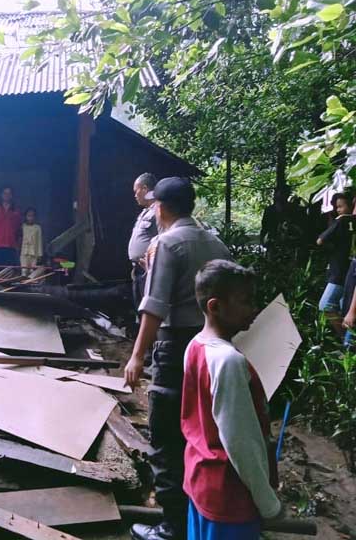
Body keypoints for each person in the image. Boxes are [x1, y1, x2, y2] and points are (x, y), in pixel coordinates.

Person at [124, 177, 232, 540]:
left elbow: (155, 306)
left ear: (162, 207)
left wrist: (137, 356)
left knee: (166, 434)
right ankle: (201, 515)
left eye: (154, 205)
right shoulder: (216, 242)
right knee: (201, 431)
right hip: (211, 345)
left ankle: (172, 526)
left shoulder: (167, 243)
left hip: (175, 349)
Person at [184, 260, 282, 539]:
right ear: (215, 306)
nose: (254, 309)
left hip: (200, 480)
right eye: (245, 301)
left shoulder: (195, 346)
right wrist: (269, 504)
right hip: (229, 495)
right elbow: (241, 443)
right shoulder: (228, 361)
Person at [316, 193, 354, 335]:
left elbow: (320, 240)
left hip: (340, 272)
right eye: (336, 207)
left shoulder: (343, 222)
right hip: (346, 270)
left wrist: (338, 221)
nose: (338, 210)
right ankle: (347, 344)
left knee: (326, 305)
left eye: (340, 206)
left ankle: (342, 337)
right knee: (345, 307)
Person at [129, 173, 159, 314]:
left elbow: (163, 239)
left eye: (137, 191)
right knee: (139, 307)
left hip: (149, 269)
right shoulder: (145, 212)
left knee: (148, 308)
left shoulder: (158, 212)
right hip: (138, 269)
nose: (135, 195)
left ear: (145, 189)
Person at [20, 207, 43, 275]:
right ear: (26, 216)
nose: (30, 218)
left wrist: (40, 254)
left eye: (32, 216)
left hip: (34, 253)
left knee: (32, 271)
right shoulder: (23, 226)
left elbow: (39, 241)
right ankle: (23, 284)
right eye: (29, 216)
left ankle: (32, 284)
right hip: (24, 252)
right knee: (24, 270)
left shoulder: (37, 227)